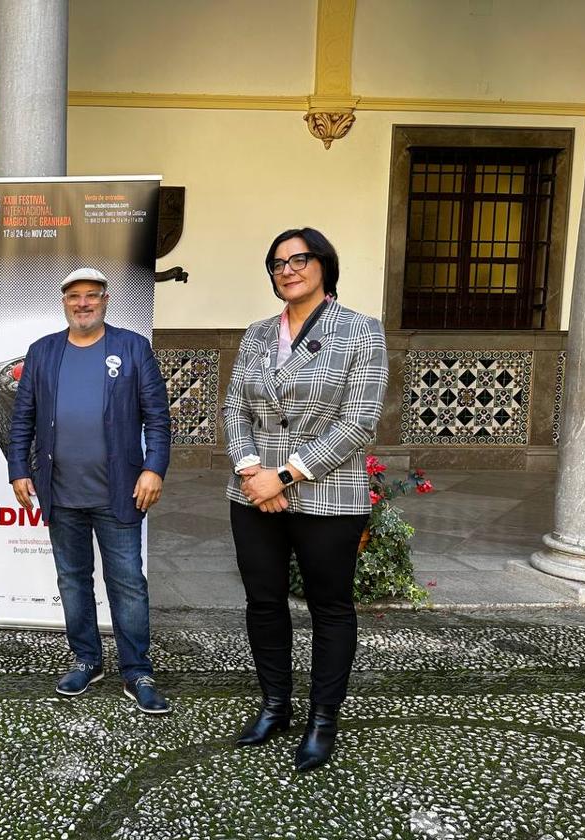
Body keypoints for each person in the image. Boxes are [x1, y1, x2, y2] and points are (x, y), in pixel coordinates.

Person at [222, 227, 388, 771]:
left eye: (298, 259)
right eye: (276, 263)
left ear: (323, 264)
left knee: (330, 607)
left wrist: (285, 475)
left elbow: (359, 421)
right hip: (252, 495)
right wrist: (252, 472)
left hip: (327, 495)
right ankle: (275, 705)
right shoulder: (256, 334)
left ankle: (323, 718)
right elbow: (233, 410)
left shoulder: (360, 330)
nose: (286, 270)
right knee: (264, 603)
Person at [7, 267, 172, 714]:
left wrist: (154, 468)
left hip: (119, 491)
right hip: (60, 492)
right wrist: (18, 468)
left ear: (105, 300)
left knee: (128, 584)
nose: (83, 303)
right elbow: (22, 417)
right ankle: (87, 659)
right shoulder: (42, 352)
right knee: (73, 580)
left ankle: (137, 670)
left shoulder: (132, 348)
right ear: (64, 302)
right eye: (74, 296)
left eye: (91, 296)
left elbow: (157, 416)